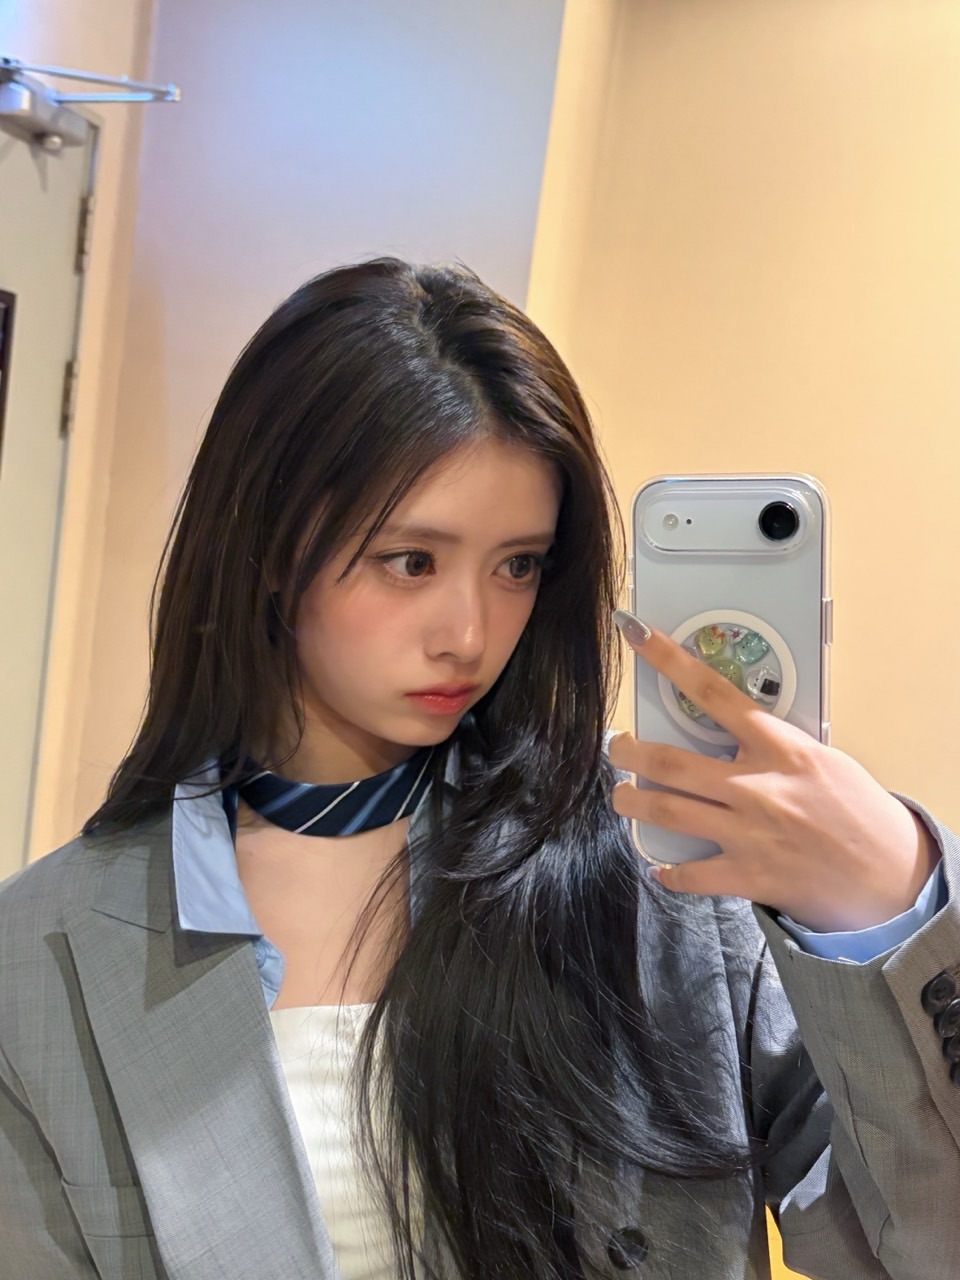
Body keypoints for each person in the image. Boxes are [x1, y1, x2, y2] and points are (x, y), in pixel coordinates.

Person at [0, 258, 956, 1280]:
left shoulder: (660, 865)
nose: (469, 633)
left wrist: (888, 903)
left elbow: (915, 1240)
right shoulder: (47, 951)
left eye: (518, 565)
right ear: (268, 547)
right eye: (410, 561)